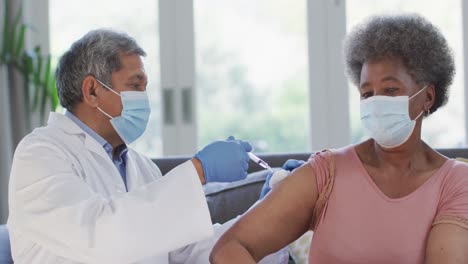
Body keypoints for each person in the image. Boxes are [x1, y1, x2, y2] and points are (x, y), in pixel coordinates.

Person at [210, 14, 468, 263]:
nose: (377, 102)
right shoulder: (326, 172)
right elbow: (230, 247)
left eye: (390, 90)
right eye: (367, 94)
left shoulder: (456, 183)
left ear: (428, 96)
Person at [7, 29, 253, 264]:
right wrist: (198, 170)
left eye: (144, 88)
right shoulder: (40, 153)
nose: (144, 99)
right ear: (92, 91)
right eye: (135, 86)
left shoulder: (142, 167)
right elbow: (100, 237)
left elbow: (186, 251)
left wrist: (268, 212)